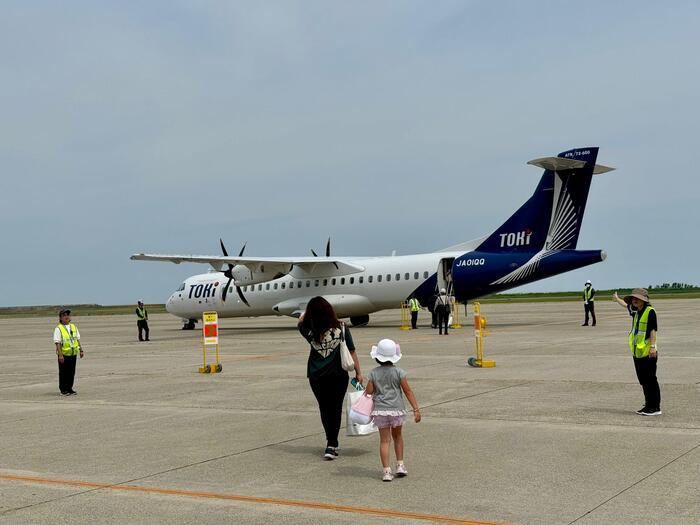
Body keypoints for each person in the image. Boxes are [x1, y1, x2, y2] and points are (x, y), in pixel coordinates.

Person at [299, 297, 363, 459]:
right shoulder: (342, 327)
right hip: (338, 375)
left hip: (316, 375)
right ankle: (332, 444)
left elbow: (300, 320)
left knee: (324, 408)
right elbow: (352, 351)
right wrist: (358, 372)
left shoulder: (308, 329)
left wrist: (310, 312)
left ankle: (331, 442)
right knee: (335, 408)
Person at [364, 338, 421, 481]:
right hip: (396, 410)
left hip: (380, 411)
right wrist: (416, 408)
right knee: (398, 437)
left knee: (384, 441)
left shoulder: (373, 373)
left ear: (378, 357)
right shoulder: (399, 372)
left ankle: (386, 471)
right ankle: (400, 465)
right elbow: (408, 391)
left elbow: (369, 391)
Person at [613, 288, 661, 416]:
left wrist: (653, 346)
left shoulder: (650, 312)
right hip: (637, 353)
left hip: (648, 352)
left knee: (650, 380)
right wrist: (617, 299)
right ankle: (648, 405)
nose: (634, 300)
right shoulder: (636, 311)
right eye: (633, 298)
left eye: (637, 298)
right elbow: (625, 305)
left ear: (643, 300)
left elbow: (653, 330)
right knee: (643, 380)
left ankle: (655, 407)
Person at [53, 309, 84, 396]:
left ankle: (69, 388)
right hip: (64, 354)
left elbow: (77, 340)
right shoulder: (58, 328)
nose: (67, 316)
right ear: (60, 318)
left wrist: (81, 350)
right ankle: (63, 390)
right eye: (64, 315)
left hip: (73, 353)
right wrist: (60, 355)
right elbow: (57, 343)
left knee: (71, 372)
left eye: (68, 315)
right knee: (63, 373)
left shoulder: (73, 327)